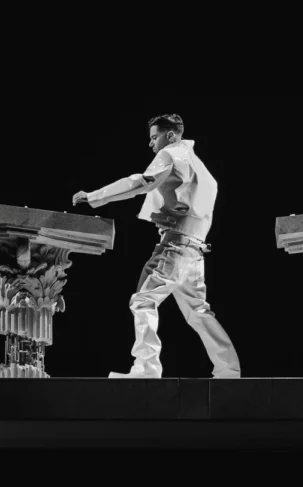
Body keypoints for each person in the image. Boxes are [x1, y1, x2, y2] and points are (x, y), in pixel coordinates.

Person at [72, 114, 241, 379]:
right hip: (195, 249)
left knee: (143, 300)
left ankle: (146, 368)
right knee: (199, 312)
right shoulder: (200, 166)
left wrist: (95, 196)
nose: (151, 144)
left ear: (170, 135)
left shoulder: (171, 153)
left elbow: (142, 182)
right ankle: (229, 370)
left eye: (154, 137)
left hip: (175, 245)